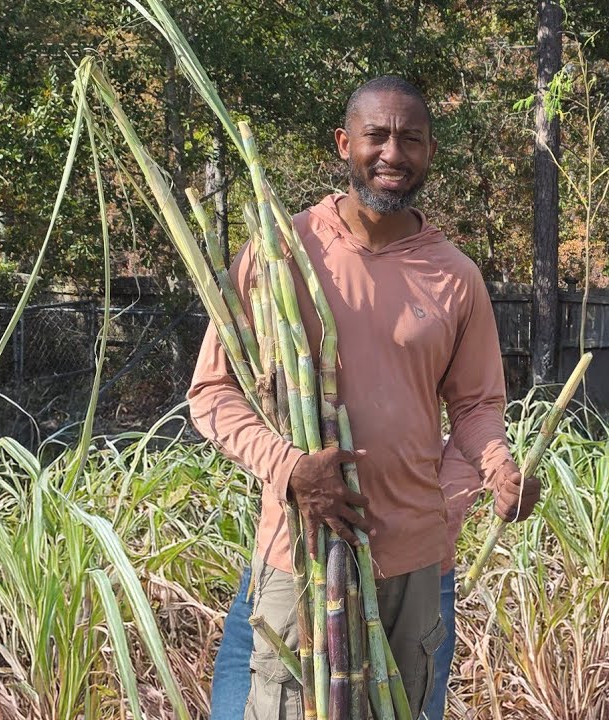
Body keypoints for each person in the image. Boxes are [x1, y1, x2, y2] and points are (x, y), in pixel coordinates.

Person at [188, 75, 538, 720]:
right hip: (301, 549)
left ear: (431, 151)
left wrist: (498, 468)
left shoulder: (456, 276)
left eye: (411, 139)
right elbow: (212, 393)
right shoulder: (279, 252)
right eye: (377, 136)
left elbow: (475, 406)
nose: (393, 154)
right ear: (344, 143)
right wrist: (292, 468)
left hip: (415, 558)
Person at [209, 439, 483, 720]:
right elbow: (219, 408)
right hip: (291, 566)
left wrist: (441, 518)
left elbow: (476, 408)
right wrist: (288, 466)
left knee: (408, 705)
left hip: (415, 573)